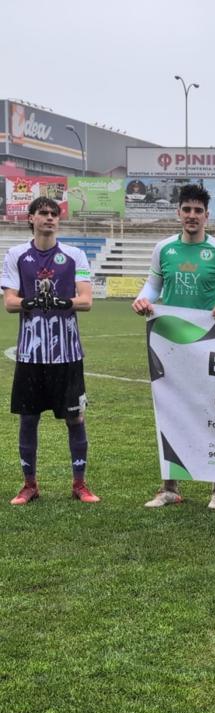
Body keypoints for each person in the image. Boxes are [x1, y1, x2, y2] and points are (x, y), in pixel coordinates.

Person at [133, 183, 215, 510]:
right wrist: (144, 299)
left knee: (214, 412)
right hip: (170, 343)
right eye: (187, 210)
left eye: (198, 211)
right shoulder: (164, 249)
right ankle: (169, 487)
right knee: (170, 412)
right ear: (179, 212)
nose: (192, 216)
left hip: (209, 345)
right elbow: (153, 286)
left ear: (207, 215)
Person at [1, 197, 99, 505]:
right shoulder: (17, 255)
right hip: (30, 355)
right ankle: (29, 485)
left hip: (67, 355)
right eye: (43, 213)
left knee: (76, 419)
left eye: (54, 214)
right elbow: (9, 303)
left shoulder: (74, 255)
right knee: (28, 419)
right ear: (30, 218)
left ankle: (79, 484)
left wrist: (61, 302)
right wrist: (29, 302)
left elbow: (86, 300)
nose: (49, 218)